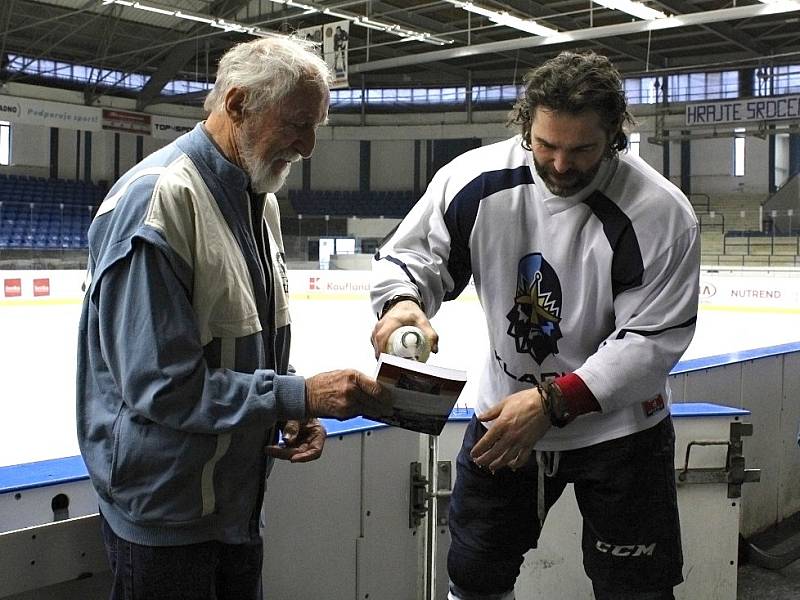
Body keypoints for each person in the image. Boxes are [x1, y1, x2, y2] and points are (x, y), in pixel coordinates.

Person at [370, 50, 700, 600]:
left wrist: (551, 403)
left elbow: (651, 342)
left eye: (582, 149)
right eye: (545, 145)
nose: (561, 165)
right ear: (525, 125)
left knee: (636, 588)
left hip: (620, 433)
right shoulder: (473, 180)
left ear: (616, 134)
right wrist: (402, 303)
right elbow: (413, 259)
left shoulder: (660, 213)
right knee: (474, 578)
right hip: (503, 416)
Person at [77, 36, 390, 600]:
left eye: (316, 125)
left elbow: (247, 346)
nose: (309, 146)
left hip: (235, 507)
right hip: (167, 521)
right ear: (239, 104)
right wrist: (297, 396)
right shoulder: (159, 201)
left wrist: (289, 413)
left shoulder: (258, 198)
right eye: (297, 124)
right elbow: (161, 387)